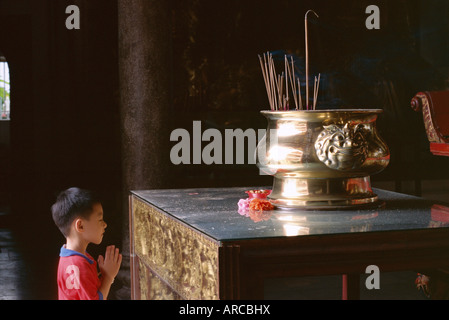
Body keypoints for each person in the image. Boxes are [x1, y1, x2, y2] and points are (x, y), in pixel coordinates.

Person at [51, 187, 122, 300]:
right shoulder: (78, 265)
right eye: (100, 220)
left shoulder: (71, 257)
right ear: (80, 226)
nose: (105, 225)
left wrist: (102, 276)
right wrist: (108, 277)